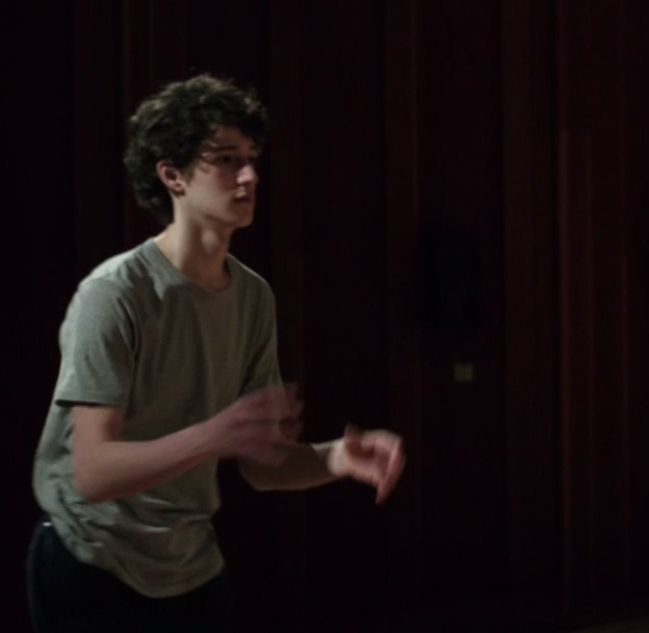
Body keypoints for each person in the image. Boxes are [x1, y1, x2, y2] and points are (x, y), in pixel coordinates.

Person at [25, 73, 405, 632]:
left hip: (188, 563)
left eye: (251, 159)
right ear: (172, 175)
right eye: (226, 159)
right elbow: (94, 472)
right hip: (92, 559)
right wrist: (215, 435)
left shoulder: (252, 296)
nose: (249, 176)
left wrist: (335, 460)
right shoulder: (115, 293)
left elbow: (263, 467)